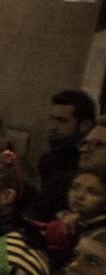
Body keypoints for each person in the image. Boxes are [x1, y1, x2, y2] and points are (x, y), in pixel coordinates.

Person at [34, 89, 97, 220]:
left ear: (84, 125)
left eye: (62, 121)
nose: (53, 126)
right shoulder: (52, 157)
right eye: (52, 119)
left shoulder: (84, 162)